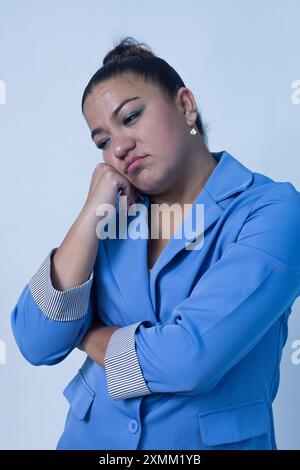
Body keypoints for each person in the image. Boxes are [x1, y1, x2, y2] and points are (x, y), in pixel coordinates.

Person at [11, 36, 300, 450]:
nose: (119, 147)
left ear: (185, 106)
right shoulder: (114, 213)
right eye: (102, 141)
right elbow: (37, 342)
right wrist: (90, 212)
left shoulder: (275, 212)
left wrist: (84, 333)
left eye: (130, 118)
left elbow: (190, 360)